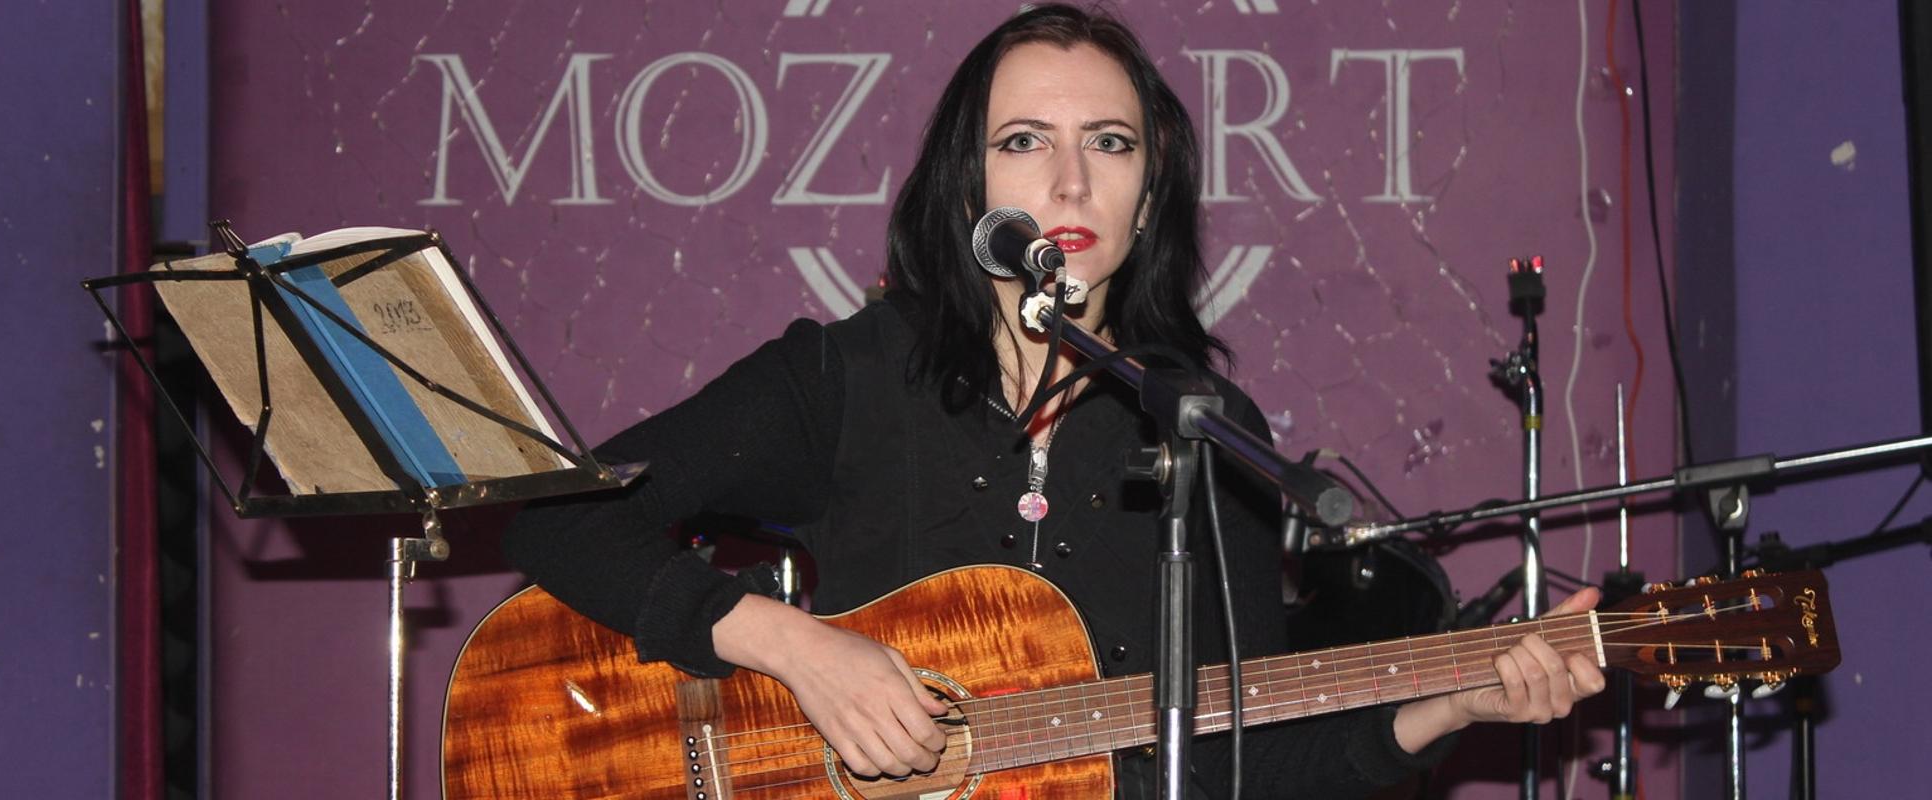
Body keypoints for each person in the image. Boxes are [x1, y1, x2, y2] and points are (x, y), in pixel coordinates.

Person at [502, 4, 1606, 797]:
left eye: (1110, 145)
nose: (1071, 182)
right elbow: (553, 512)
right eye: (1024, 142)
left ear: (1149, 190)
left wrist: (1450, 703)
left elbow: (1247, 767)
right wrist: (796, 647)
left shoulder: (1204, 426)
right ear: (967, 186)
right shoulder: (849, 373)